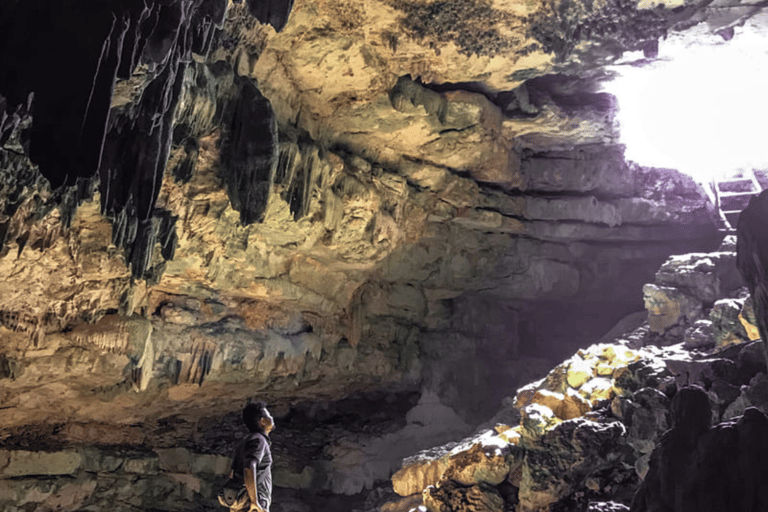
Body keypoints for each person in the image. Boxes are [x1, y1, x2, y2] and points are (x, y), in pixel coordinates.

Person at [220, 401, 275, 512]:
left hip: (241, 503)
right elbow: (249, 467)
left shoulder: (244, 442)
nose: (272, 418)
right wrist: (255, 501)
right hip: (253, 505)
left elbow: (232, 474)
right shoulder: (259, 440)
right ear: (262, 421)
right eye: (269, 415)